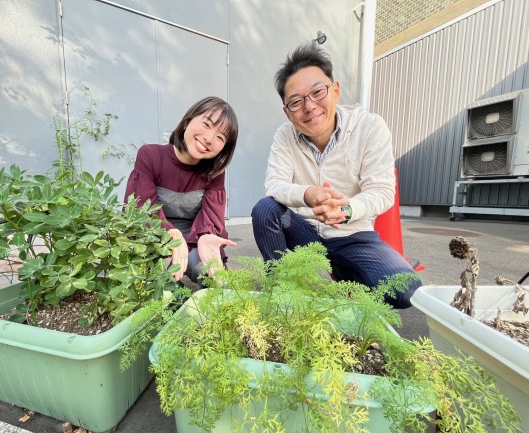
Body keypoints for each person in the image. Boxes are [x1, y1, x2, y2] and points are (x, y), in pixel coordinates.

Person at [251, 44, 421, 308]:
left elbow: (382, 191)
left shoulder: (369, 127)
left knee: (406, 291)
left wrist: (347, 209)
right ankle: (282, 293)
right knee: (265, 210)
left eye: (318, 92)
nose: (309, 106)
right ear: (287, 111)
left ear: (336, 90)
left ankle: (344, 275)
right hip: (304, 234)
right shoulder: (284, 136)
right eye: (296, 101)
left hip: (353, 235)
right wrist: (309, 194)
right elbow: (275, 184)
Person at [124, 96, 239, 287]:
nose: (209, 139)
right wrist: (170, 233)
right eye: (206, 124)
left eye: (220, 137)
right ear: (187, 121)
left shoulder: (214, 171)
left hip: (195, 238)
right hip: (158, 239)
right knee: (167, 289)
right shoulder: (150, 156)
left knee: (215, 281)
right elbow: (141, 210)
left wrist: (206, 236)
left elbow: (212, 215)